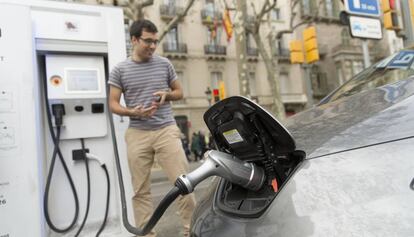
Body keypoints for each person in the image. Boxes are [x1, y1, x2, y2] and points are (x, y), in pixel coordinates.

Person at [108, 19, 196, 237]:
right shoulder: (120, 70)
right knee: (140, 192)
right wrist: (132, 112)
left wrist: (167, 96)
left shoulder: (164, 64)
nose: (152, 46)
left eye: (155, 42)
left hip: (166, 129)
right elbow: (113, 104)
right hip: (137, 133)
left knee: (184, 184)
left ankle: (190, 231)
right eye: (148, 41)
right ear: (134, 40)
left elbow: (179, 92)